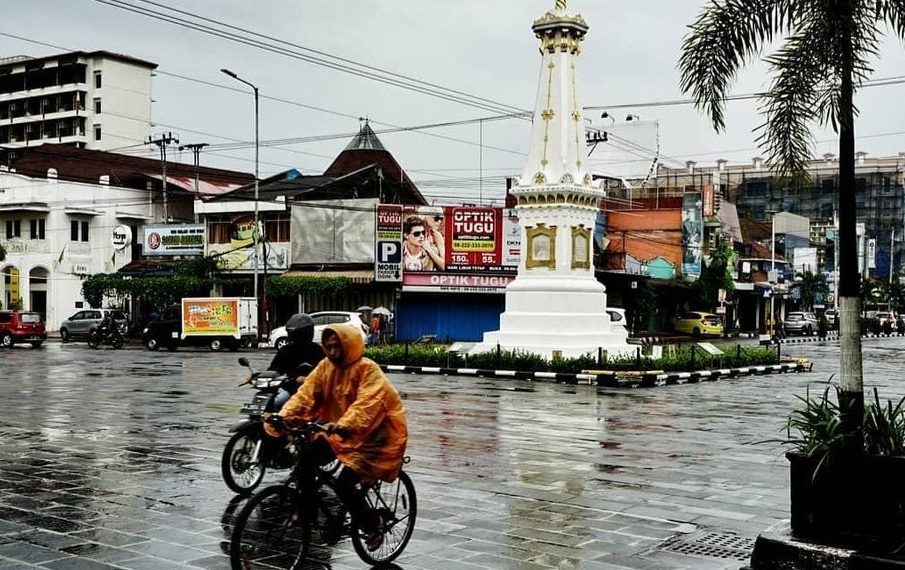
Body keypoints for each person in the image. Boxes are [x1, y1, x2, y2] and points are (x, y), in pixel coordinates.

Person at [265, 323, 408, 551]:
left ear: (348, 345)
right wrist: (284, 416)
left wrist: (344, 425)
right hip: (340, 432)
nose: (331, 352)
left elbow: (367, 404)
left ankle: (373, 524)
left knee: (344, 485)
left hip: (375, 438)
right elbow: (305, 394)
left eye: (336, 347)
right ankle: (307, 514)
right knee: (306, 459)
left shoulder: (367, 369)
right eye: (328, 347)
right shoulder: (325, 367)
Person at [268, 313, 325, 408]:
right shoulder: (285, 350)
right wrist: (258, 376)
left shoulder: (318, 351)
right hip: (289, 388)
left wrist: (307, 379)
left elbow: (326, 374)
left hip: (313, 391)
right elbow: (274, 370)